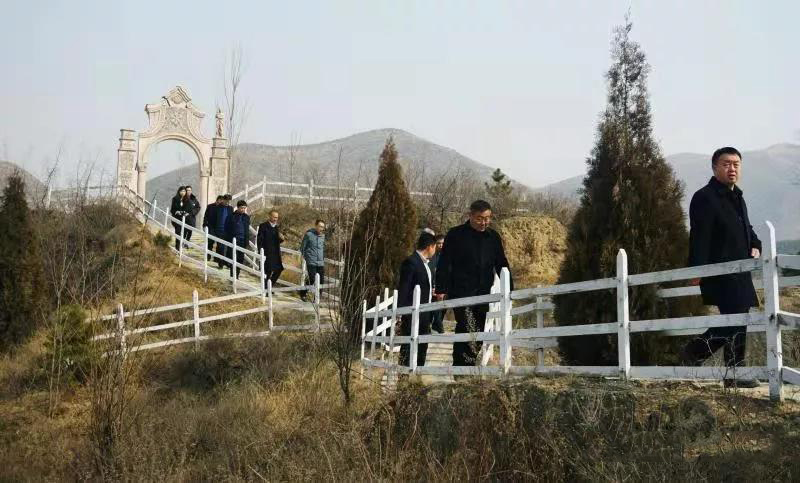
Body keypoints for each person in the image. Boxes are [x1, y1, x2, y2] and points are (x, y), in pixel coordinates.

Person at [681, 147, 761, 388]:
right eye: (726, 164)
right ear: (715, 167)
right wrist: (697, 270)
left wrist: (756, 245)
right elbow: (699, 236)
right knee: (734, 320)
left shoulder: (738, 197)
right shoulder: (705, 197)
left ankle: (731, 373)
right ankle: (695, 353)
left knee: (738, 320)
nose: (732, 168)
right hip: (719, 271)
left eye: (736, 164)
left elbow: (746, 228)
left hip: (740, 271)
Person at [435, 200, 513, 367]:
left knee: (478, 331)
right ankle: (461, 368)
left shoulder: (493, 237)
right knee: (466, 327)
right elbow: (444, 263)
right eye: (479, 218)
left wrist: (510, 289)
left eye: (487, 218)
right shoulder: (455, 235)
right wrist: (441, 289)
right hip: (461, 292)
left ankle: (468, 365)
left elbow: (502, 263)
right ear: (470, 215)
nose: (484, 222)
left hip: (483, 293)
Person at [398, 232, 437, 368]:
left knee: (422, 345)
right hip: (412, 313)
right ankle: (404, 375)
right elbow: (404, 288)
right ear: (430, 247)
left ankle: (418, 374)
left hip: (425, 313)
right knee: (408, 346)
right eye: (435, 247)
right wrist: (401, 312)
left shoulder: (427, 264)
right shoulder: (411, 262)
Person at [299, 219, 326, 301]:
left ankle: (317, 298)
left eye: (323, 227)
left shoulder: (323, 236)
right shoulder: (309, 235)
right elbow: (302, 247)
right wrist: (306, 257)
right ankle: (303, 293)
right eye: (320, 226)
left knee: (321, 281)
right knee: (312, 279)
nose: (321, 228)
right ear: (316, 226)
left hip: (320, 262)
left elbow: (323, 248)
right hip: (311, 261)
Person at [257, 210, 285, 288]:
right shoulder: (263, 226)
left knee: (279, 269)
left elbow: (276, 241)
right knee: (267, 272)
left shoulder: (276, 227)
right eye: (274, 217)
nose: (275, 219)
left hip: (275, 253)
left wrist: (282, 239)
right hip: (267, 252)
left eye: (277, 217)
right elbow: (259, 240)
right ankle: (266, 290)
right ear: (269, 216)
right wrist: (261, 252)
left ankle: (269, 287)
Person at [224, 200, 250, 279]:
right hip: (233, 240)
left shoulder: (246, 217)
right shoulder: (231, 216)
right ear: (238, 207)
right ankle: (233, 275)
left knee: (240, 259)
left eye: (244, 208)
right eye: (241, 208)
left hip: (242, 241)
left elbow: (247, 230)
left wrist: (247, 241)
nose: (243, 210)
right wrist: (228, 239)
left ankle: (237, 275)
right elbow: (226, 228)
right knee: (233, 258)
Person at [429, 234, 446, 333]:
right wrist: (433, 287)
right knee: (434, 306)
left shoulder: (448, 255)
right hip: (433, 286)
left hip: (445, 287)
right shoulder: (432, 257)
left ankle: (437, 324)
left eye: (443, 243)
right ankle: (438, 325)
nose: (441, 245)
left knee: (443, 307)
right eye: (439, 243)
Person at [215, 195, 234, 268]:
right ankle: (221, 263)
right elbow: (213, 219)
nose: (228, 202)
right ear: (223, 200)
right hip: (219, 230)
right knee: (221, 247)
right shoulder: (217, 208)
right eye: (226, 201)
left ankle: (226, 262)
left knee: (227, 247)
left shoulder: (231, 208)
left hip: (227, 231)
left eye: (229, 201)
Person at [203, 195, 224, 260]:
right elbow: (206, 216)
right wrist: (204, 225)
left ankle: (216, 258)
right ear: (217, 199)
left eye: (222, 201)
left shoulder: (222, 208)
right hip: (211, 227)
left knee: (219, 244)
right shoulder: (210, 206)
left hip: (219, 228)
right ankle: (208, 256)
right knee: (210, 242)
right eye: (220, 200)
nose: (221, 202)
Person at [170, 186, 188, 251]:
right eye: (181, 191)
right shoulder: (175, 199)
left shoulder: (187, 200)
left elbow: (189, 209)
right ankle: (178, 248)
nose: (183, 192)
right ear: (179, 191)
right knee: (178, 232)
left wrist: (186, 213)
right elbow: (172, 210)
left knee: (183, 233)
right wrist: (176, 212)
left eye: (184, 191)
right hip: (176, 218)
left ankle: (181, 245)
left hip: (185, 219)